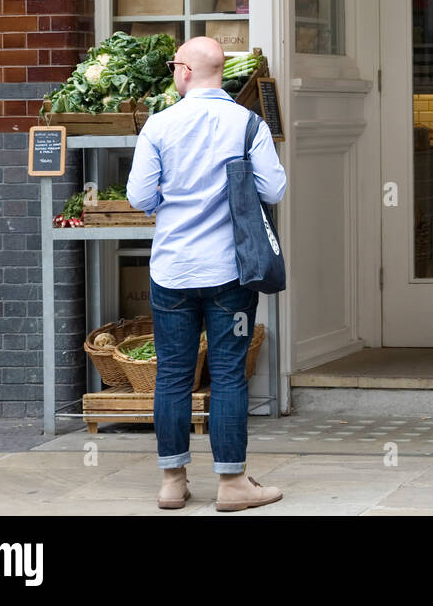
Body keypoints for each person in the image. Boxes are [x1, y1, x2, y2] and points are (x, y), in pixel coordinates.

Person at [126, 36, 287, 511]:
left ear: (187, 72)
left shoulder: (158, 125)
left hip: (172, 271)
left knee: (173, 376)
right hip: (230, 272)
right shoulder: (247, 124)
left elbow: (139, 198)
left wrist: (169, 200)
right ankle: (233, 485)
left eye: (176, 65)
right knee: (229, 374)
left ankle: (173, 482)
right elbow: (274, 189)